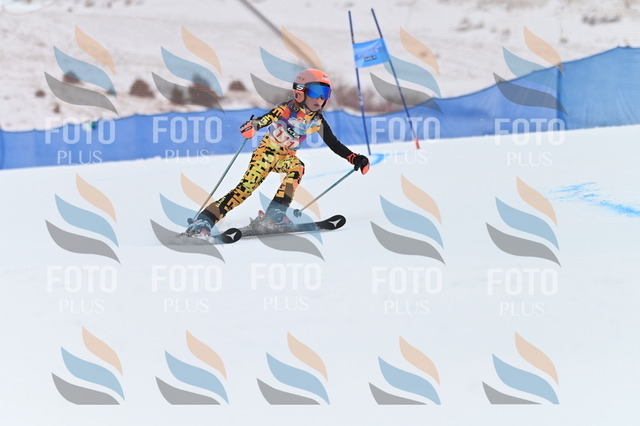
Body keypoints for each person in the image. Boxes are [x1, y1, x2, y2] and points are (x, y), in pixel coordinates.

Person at [187, 68, 370, 236]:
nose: (320, 99)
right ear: (300, 91)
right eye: (316, 92)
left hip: (286, 158)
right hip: (266, 154)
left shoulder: (317, 121)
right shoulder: (286, 109)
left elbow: (334, 143)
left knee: (297, 167)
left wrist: (355, 158)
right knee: (243, 190)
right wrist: (253, 125)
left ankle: (274, 214)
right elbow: (265, 119)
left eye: (325, 94)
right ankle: (204, 221)